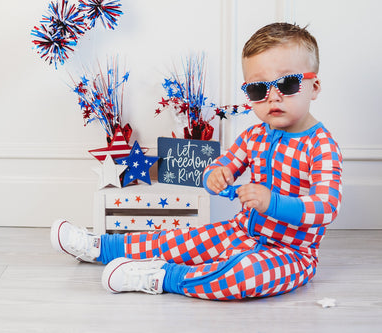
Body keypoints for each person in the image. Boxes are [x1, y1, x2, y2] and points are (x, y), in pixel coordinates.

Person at [51, 22, 342, 300]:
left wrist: (272, 203)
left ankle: (161, 277)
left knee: (244, 274)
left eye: (288, 83)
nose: (272, 97)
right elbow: (223, 165)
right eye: (257, 89)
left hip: (291, 253)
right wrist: (215, 175)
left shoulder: (321, 145)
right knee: (176, 239)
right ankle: (98, 246)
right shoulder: (255, 135)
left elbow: (327, 207)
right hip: (239, 231)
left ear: (314, 86)